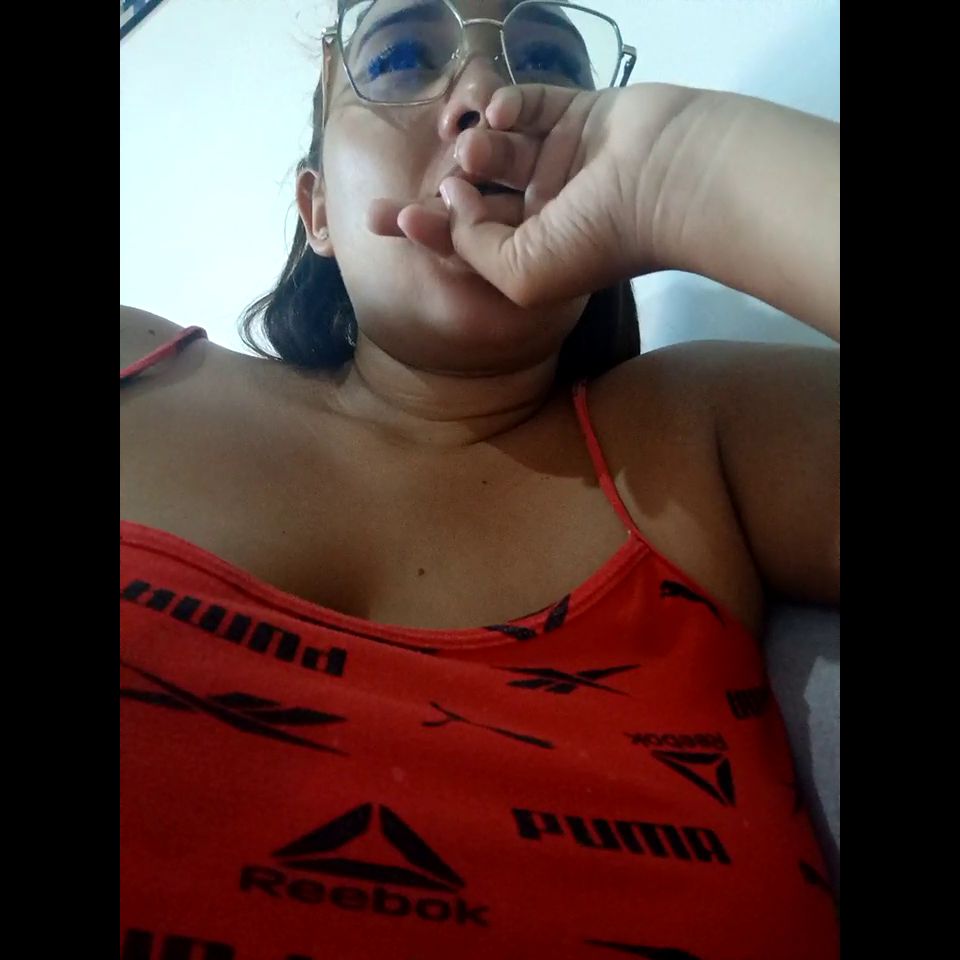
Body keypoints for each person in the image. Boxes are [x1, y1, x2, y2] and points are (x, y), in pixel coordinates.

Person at [120, 2, 840, 957]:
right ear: (318, 210)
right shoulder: (134, 371)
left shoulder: (700, 434)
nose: (486, 97)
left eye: (547, 64)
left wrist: (687, 162)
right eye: (401, 57)